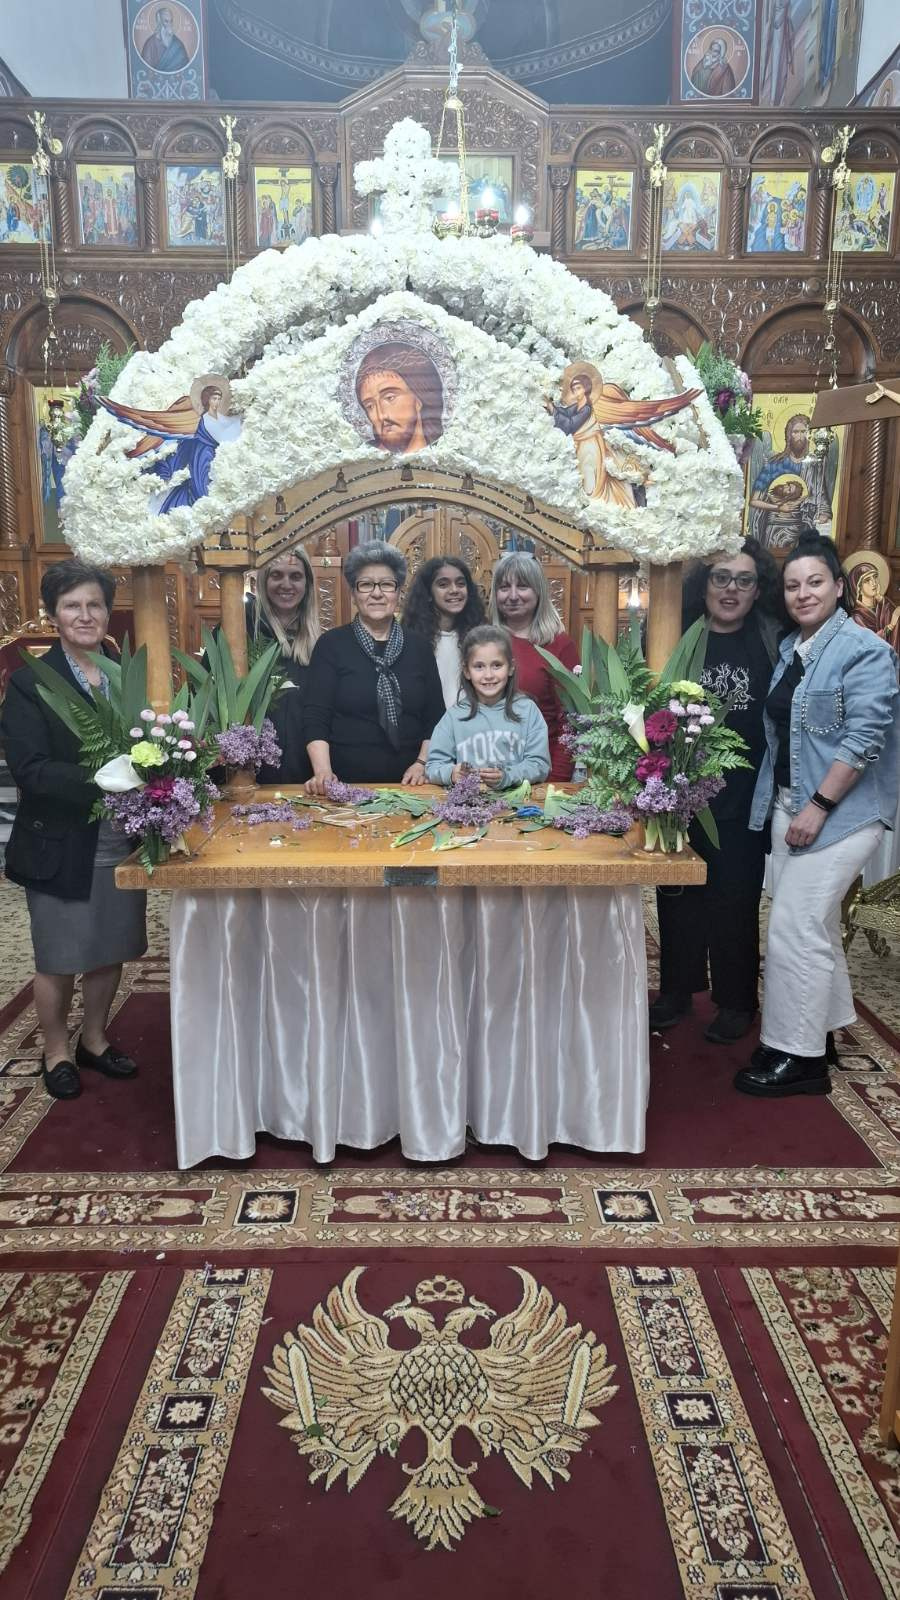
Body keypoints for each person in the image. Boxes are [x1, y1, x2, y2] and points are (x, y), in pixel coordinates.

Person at [735, 532, 900, 1098]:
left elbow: (864, 739)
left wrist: (819, 806)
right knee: (818, 927)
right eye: (793, 585)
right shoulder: (791, 650)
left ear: (838, 587)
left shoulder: (864, 650)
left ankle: (798, 1058)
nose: (803, 593)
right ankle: (819, 1032)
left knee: (793, 927)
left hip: (842, 814)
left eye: (815, 582)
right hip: (791, 805)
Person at [1, 561, 147, 1100]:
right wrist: (109, 779)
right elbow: (31, 770)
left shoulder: (126, 674)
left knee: (110, 946)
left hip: (119, 837)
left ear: (108, 613)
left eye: (94, 605)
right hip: (60, 839)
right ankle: (57, 1051)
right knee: (60, 956)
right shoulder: (30, 683)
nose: (85, 615)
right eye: (72, 606)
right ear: (53, 615)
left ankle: (94, 1039)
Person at [651, 539, 782, 1042]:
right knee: (677, 896)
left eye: (744, 580)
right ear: (703, 585)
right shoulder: (676, 633)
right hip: (681, 799)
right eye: (720, 578)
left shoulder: (772, 639)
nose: (731, 589)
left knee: (736, 900)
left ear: (758, 589)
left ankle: (736, 1001)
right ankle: (676, 991)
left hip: (745, 798)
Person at [304, 541, 444, 789]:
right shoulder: (331, 645)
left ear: (398, 592)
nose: (377, 593)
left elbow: (435, 718)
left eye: (387, 584)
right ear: (353, 593)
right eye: (366, 584)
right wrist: (323, 772)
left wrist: (422, 763)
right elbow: (316, 718)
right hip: (344, 786)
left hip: (411, 786)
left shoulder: (419, 647)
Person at [425, 624, 550, 788]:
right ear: (467, 671)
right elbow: (433, 766)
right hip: (468, 802)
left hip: (517, 802)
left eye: (497, 665)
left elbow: (539, 765)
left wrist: (508, 776)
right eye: (479, 667)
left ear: (511, 667)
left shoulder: (528, 711)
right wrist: (452, 773)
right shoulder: (454, 716)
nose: (488, 675)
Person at [490, 552, 578, 781]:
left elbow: (570, 723)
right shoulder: (485, 641)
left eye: (522, 586)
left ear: (539, 591)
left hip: (541, 775)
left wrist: (555, 782)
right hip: (489, 773)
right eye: (504, 587)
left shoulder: (560, 645)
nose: (513, 596)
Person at [247, 547, 321, 783]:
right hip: (249, 770)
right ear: (263, 581)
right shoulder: (241, 629)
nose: (286, 584)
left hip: (304, 770)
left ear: (307, 584)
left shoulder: (319, 643)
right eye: (276, 575)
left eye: (295, 576)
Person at [401, 555, 486, 709]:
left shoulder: (480, 634)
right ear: (428, 594)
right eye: (443, 585)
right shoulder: (411, 639)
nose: (454, 590)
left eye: (460, 584)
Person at [355, 344, 445, 454]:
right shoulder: (365, 458)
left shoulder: (442, 452)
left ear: (418, 399)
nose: (381, 415)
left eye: (390, 398)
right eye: (370, 406)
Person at [140, 6, 190, 72]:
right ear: (159, 22)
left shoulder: (178, 44)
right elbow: (145, 68)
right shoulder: (150, 44)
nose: (169, 25)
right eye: (166, 21)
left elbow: (185, 67)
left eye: (171, 21)